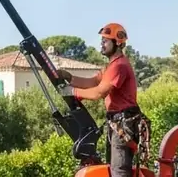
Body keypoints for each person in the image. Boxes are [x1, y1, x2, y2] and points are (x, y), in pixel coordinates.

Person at [62, 23, 144, 177]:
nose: (102, 44)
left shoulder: (119, 65)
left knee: (119, 171)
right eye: (102, 41)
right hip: (117, 123)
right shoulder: (111, 66)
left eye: (105, 41)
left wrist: (73, 92)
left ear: (117, 42)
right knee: (113, 169)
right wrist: (70, 78)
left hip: (124, 123)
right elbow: (93, 82)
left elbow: (99, 92)